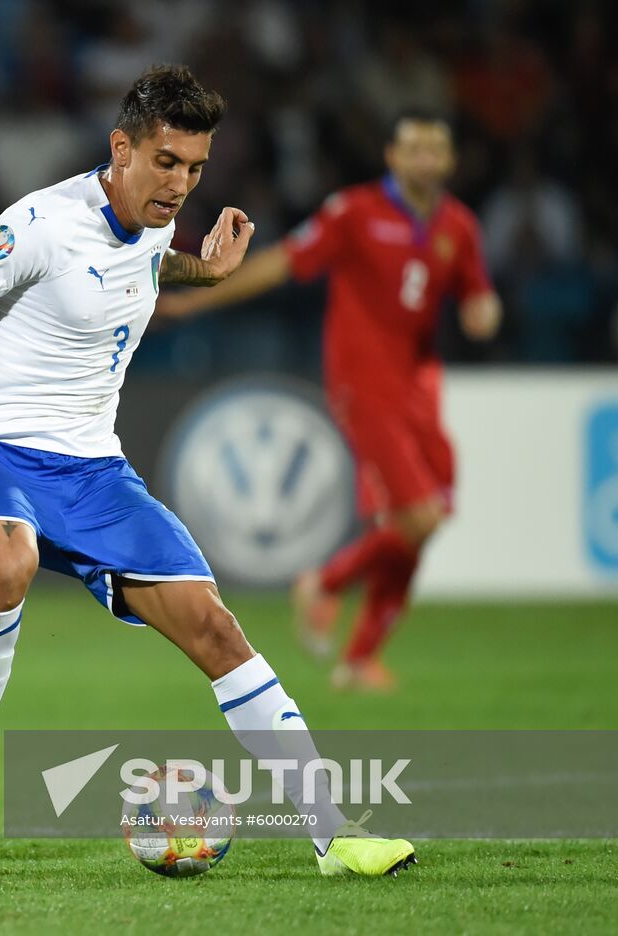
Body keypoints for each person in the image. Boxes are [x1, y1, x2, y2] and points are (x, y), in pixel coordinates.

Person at [0, 65, 414, 877]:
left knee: (214, 627)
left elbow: (138, 264)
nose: (180, 184)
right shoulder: (41, 221)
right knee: (5, 560)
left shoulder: (157, 226)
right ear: (121, 149)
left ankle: (333, 835)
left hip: (96, 467)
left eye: (196, 168)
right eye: (166, 163)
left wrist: (199, 270)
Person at [156, 110, 501, 691]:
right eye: (412, 148)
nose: (424, 159)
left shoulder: (458, 225)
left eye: (435, 150)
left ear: (449, 161)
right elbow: (281, 264)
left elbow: (477, 293)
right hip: (363, 384)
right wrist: (198, 299)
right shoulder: (355, 212)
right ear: (392, 156)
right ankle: (325, 583)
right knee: (420, 515)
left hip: (420, 385)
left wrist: (483, 311)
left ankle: (358, 660)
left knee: (424, 518)